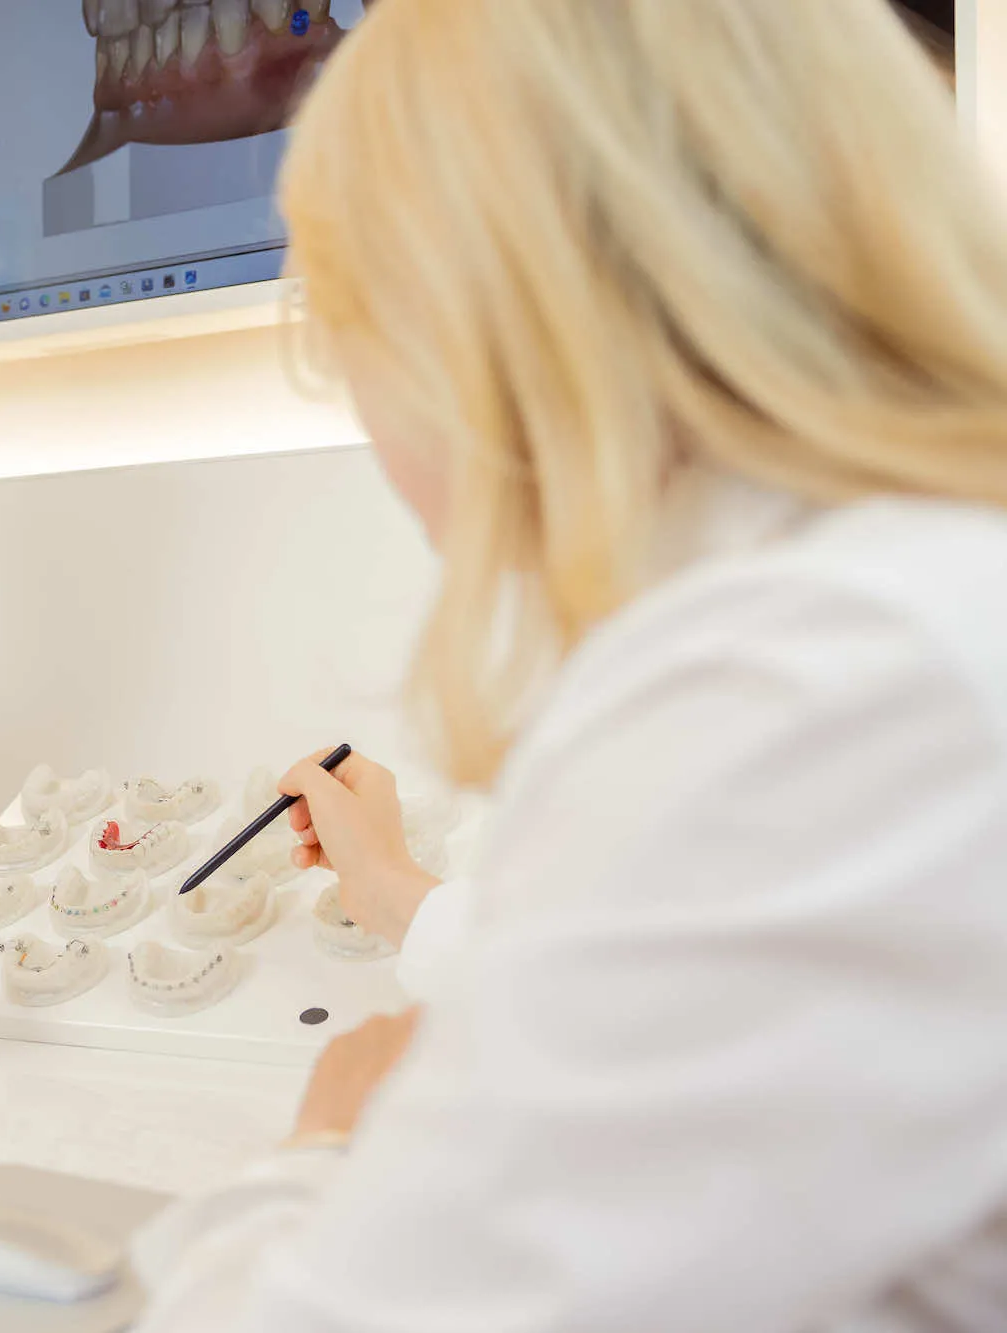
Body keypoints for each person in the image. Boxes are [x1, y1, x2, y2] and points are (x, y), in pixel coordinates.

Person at [133, 1, 1007, 1328]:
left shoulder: (805, 681)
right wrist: (399, 893)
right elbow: (731, 990)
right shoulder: (911, 601)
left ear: (467, 308)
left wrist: (313, 1157)